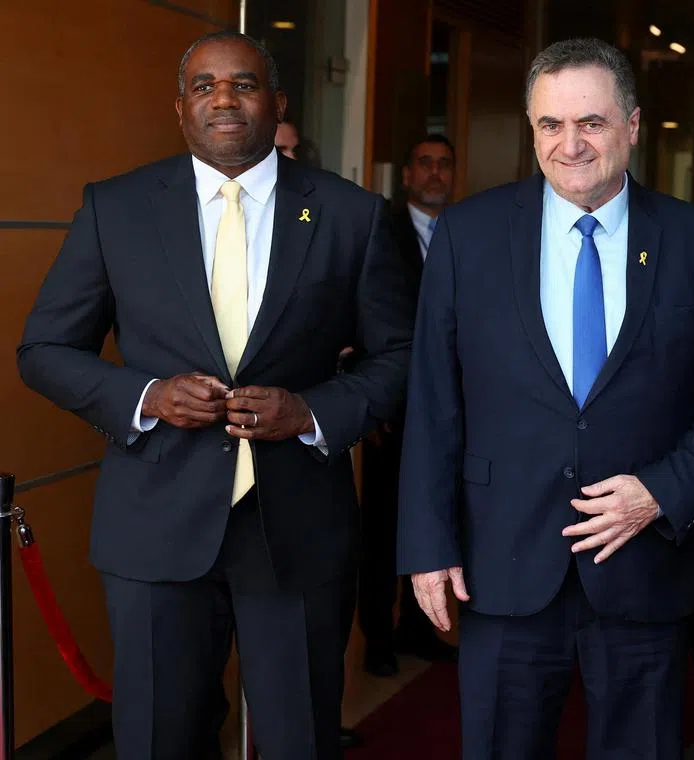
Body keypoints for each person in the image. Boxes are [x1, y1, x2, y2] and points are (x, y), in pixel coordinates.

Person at [17, 31, 414, 759]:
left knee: (300, 741)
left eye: (244, 83)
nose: (224, 99)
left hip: (296, 532)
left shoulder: (351, 215)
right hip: (154, 529)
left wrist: (312, 411)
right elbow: (43, 351)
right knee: (160, 741)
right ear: (180, 110)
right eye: (204, 86)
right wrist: (147, 394)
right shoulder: (117, 208)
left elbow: (401, 357)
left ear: (277, 102)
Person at [397, 37, 694, 760]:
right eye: (550, 126)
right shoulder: (470, 235)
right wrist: (427, 545)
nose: (570, 144)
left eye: (590, 122)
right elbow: (435, 398)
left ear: (631, 124)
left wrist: (660, 492)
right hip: (501, 560)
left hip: (645, 565)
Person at [358, 134, 458, 675]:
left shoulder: (470, 234)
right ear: (407, 175)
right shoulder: (382, 231)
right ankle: (376, 636)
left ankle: (420, 628)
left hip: (452, 408)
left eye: (445, 165)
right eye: (425, 164)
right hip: (394, 409)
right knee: (380, 528)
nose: (435, 174)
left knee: (436, 516)